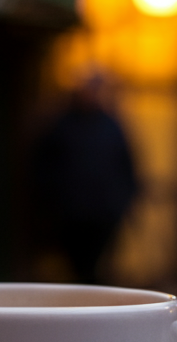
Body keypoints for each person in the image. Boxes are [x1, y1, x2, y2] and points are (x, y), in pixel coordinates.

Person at [32, 76, 139, 284]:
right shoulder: (61, 126)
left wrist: (123, 201)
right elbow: (42, 167)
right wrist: (52, 202)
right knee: (77, 268)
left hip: (104, 213)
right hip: (70, 214)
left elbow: (127, 166)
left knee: (97, 267)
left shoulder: (111, 126)